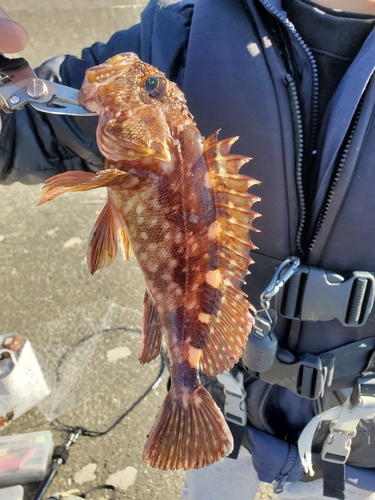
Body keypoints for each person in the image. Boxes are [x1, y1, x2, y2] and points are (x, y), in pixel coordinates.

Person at [1, 1, 375, 499]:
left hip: (357, 436)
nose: (141, 84)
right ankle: (189, 397)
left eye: (152, 88)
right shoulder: (180, 34)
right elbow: (24, 129)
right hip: (226, 394)